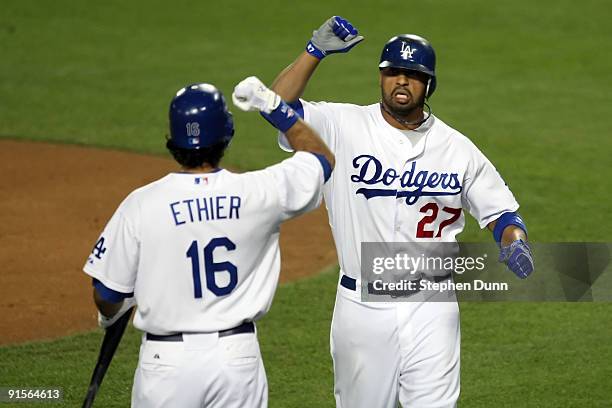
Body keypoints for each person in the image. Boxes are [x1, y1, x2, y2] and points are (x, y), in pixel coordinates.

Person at [270, 16, 534, 408]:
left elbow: (502, 214)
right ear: (380, 77)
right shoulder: (342, 125)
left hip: (433, 306)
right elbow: (275, 107)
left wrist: (515, 243)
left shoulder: (457, 148)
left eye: (412, 74)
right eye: (393, 72)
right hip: (362, 307)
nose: (401, 81)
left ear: (429, 84)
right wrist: (314, 52)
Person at [82, 77, 334, 408]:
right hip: (236, 360)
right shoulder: (260, 192)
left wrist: (111, 315)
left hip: (166, 362)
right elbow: (321, 157)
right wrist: (271, 105)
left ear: (173, 139)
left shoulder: (141, 204)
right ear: (226, 135)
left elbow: (107, 293)